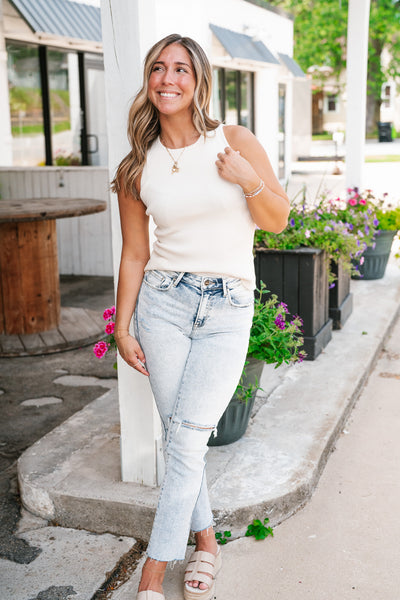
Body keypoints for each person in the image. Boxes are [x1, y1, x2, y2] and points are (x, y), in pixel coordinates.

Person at [111, 33, 290, 600]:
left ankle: (151, 577)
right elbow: (136, 253)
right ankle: (207, 544)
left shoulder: (232, 141)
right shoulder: (137, 167)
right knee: (182, 440)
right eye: (158, 69)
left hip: (227, 306)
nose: (168, 79)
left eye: (181, 69)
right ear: (148, 80)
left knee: (186, 442)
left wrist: (247, 179)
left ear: (198, 81)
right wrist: (122, 324)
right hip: (162, 306)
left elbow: (278, 219)